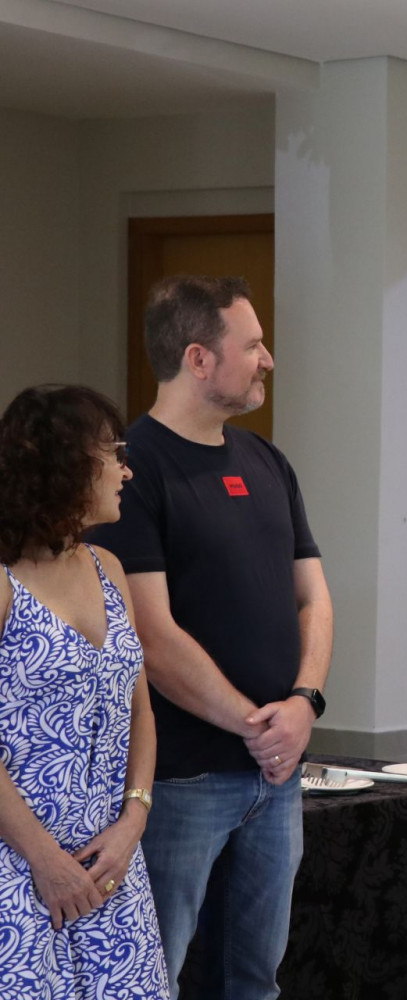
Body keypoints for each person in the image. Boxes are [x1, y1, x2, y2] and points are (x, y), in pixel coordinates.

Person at [88, 275, 334, 1000]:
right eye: (252, 345)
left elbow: (314, 596)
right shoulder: (132, 471)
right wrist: (257, 726)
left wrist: (305, 702)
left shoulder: (267, 461)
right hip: (183, 777)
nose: (268, 360)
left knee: (255, 980)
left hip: (275, 774)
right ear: (198, 359)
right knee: (155, 974)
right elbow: (151, 634)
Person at [0, 385, 169, 999]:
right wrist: (45, 861)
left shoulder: (109, 567)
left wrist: (133, 821)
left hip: (110, 866)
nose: (127, 470)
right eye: (114, 454)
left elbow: (140, 710)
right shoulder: (4, 583)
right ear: (66, 464)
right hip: (20, 870)